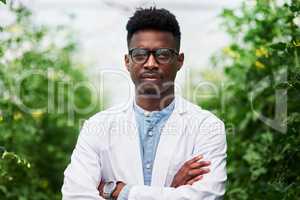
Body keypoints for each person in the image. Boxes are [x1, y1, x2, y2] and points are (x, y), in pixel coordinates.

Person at [62, 7, 227, 200]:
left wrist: (121, 192)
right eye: (140, 54)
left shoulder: (207, 126)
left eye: (163, 54)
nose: (150, 63)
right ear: (127, 61)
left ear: (180, 61)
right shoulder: (97, 126)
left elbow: (207, 196)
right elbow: (75, 195)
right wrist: (173, 191)